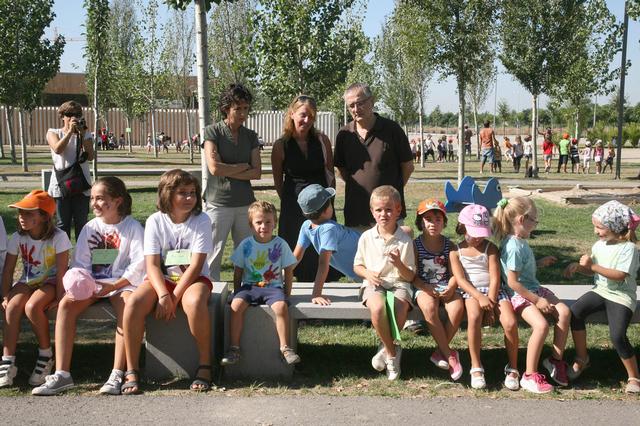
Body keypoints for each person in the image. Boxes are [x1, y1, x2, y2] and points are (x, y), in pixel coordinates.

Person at [32, 177, 145, 396]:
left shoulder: (132, 227)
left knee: (127, 306)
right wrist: (87, 284)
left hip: (122, 284)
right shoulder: (90, 227)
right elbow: (81, 264)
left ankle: (117, 373)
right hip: (93, 284)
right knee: (66, 305)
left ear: (118, 200)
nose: (94, 203)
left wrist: (114, 285)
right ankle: (62, 374)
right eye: (92, 198)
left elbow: (139, 264)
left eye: (100, 198)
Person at [122, 169, 214, 394]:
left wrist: (173, 297)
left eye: (193, 192)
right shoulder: (155, 220)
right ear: (167, 194)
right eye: (183, 193)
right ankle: (132, 370)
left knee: (194, 303)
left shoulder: (202, 220)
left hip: (193, 279)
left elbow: (196, 265)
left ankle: (205, 365)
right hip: (161, 279)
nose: (189, 197)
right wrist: (164, 294)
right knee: (133, 303)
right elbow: (152, 265)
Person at [493, 197, 571, 393]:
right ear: (522, 220)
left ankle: (555, 360)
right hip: (520, 294)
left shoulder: (519, 241)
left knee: (564, 312)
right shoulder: (513, 246)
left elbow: (519, 269)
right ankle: (529, 375)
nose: (536, 224)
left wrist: (539, 262)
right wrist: (537, 300)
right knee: (541, 325)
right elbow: (512, 282)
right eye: (534, 220)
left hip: (533, 288)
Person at [563, 201, 640, 394]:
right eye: (595, 226)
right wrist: (579, 268)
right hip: (600, 291)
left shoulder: (629, 248)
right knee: (575, 311)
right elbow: (594, 272)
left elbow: (620, 275)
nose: (595, 231)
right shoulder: (599, 245)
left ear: (615, 227)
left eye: (600, 227)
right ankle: (582, 358)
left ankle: (634, 376)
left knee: (617, 336)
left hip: (621, 296)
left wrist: (593, 266)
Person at [0, 191, 71, 389]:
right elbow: (8, 270)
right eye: (20, 213)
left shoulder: (59, 237)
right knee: (12, 307)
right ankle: (7, 360)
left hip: (50, 282)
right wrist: (5, 295)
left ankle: (45, 355)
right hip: (28, 280)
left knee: (32, 307)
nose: (22, 217)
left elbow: (62, 272)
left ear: (44, 216)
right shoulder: (17, 237)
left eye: (28, 213)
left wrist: (60, 298)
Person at [221, 201, 301, 367]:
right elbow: (238, 271)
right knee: (235, 306)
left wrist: (287, 293)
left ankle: (285, 348)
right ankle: (234, 348)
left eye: (268, 222)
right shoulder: (245, 245)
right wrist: (237, 292)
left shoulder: (280, 244)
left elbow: (288, 270)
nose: (263, 226)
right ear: (251, 225)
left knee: (281, 307)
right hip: (249, 287)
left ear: (275, 223)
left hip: (273, 288)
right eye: (258, 222)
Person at [449, 204, 519, 390]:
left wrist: (491, 303)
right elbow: (460, 280)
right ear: (462, 227)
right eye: (474, 233)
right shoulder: (455, 251)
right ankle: (476, 366)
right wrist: (479, 297)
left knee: (510, 322)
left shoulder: (491, 248)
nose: (478, 238)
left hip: (495, 293)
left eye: (481, 233)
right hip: (472, 292)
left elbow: (495, 278)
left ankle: (513, 367)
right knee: (473, 317)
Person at [271, 95, 340, 282]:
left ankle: (324, 289)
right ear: (292, 114)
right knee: (296, 250)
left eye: (311, 116)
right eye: (303, 115)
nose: (307, 120)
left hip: (321, 205)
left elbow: (330, 174)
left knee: (323, 250)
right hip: (293, 207)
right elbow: (278, 181)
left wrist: (328, 204)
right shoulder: (281, 145)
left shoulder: (322, 140)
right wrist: (290, 202)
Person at [354, 186, 415, 381]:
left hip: (399, 283)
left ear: (398, 210)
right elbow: (357, 266)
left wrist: (398, 264)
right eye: (379, 210)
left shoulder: (405, 240)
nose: (383, 214)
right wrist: (368, 274)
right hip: (374, 283)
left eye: (389, 209)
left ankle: (386, 348)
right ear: (372, 211)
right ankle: (392, 352)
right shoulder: (366, 237)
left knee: (400, 307)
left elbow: (410, 276)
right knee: (378, 307)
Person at [334, 83, 414, 231]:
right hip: (356, 214)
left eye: (360, 103)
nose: (356, 109)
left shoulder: (392, 130)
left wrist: (392, 190)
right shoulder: (344, 135)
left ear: (372, 101)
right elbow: (341, 169)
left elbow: (408, 166)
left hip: (389, 214)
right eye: (351, 105)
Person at [202, 83, 261, 280]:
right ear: (226, 108)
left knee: (246, 253)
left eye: (246, 108)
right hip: (218, 203)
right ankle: (210, 291)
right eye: (238, 108)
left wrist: (227, 169)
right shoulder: (212, 132)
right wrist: (243, 166)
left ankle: (246, 290)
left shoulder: (251, 136)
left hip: (245, 203)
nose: (243, 113)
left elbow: (257, 172)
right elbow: (214, 169)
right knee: (213, 254)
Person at [411, 199, 463, 381]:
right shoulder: (415, 245)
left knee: (457, 308)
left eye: (438, 219)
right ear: (420, 222)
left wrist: (452, 286)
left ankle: (439, 351)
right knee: (429, 308)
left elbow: (456, 274)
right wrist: (425, 287)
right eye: (428, 219)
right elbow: (412, 276)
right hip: (423, 287)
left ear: (444, 222)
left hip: (446, 286)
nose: (433, 223)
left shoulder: (450, 246)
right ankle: (450, 355)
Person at [293, 184, 361, 305]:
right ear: (325, 211)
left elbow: (295, 258)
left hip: (370, 261)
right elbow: (322, 263)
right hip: (365, 268)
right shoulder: (327, 229)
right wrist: (316, 294)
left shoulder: (308, 225)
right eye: (330, 203)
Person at [46, 100, 94, 240]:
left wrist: (82, 134)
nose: (74, 117)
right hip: (61, 186)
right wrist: (69, 133)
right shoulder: (53, 132)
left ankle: (81, 253)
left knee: (82, 224)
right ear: (62, 116)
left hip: (81, 186)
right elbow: (58, 149)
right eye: (70, 114)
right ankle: (63, 253)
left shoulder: (85, 133)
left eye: (77, 114)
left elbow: (91, 156)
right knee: (62, 225)